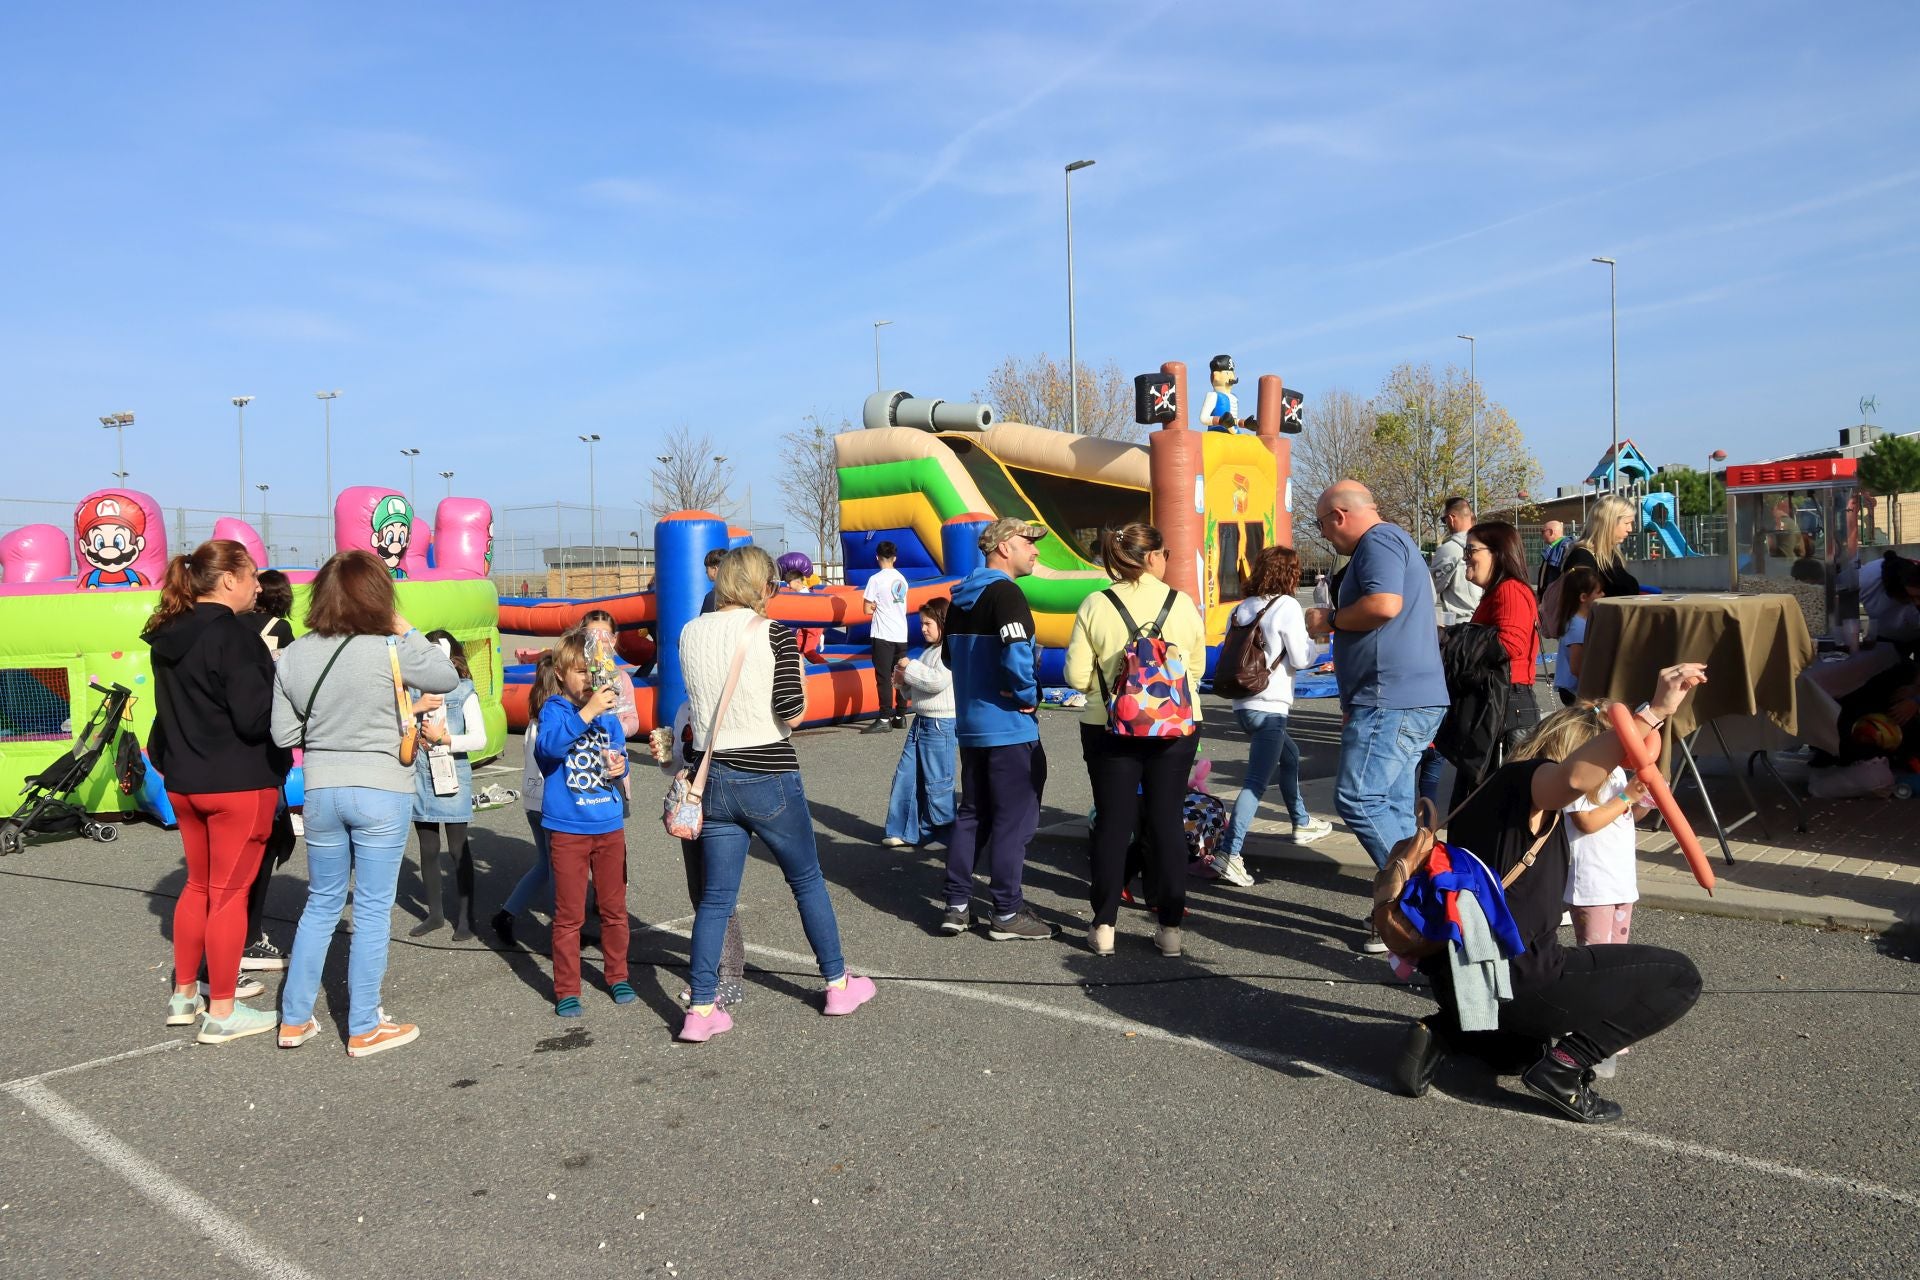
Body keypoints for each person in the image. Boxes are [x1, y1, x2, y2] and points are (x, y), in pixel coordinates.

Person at [1392, 668, 1707, 1123]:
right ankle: (1564, 1068)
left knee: (1519, 1052)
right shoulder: (1531, 784)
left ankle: (1444, 1032)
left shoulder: (1488, 792)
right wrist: (1655, 711)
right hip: (1522, 980)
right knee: (1680, 977)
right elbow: (1576, 777)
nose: (1610, 776)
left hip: (1464, 980)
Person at [675, 546, 875, 1042]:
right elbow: (792, 710)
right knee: (806, 879)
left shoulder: (688, 633)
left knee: (716, 899)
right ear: (763, 586)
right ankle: (836, 982)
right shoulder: (775, 634)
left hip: (712, 776)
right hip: (769, 773)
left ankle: (701, 1009)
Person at [272, 550, 460, 1058]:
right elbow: (445, 677)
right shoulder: (390, 648)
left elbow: (284, 732)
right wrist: (404, 626)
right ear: (378, 595)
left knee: (321, 901)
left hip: (321, 790)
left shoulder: (295, 654)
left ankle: (294, 1018)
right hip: (381, 787)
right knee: (373, 909)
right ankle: (363, 1025)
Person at [144, 540, 288, 1043]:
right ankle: (222, 1010)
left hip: (185, 780)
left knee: (199, 887)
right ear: (228, 579)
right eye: (250, 575)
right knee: (230, 896)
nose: (256, 585)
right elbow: (253, 720)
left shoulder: (166, 632)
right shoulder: (235, 636)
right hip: (239, 781)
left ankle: (186, 993)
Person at [1305, 482, 1448, 953]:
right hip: (1398, 696)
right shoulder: (1394, 540)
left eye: (1322, 524)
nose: (1323, 534)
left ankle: (1417, 901)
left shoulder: (1379, 541)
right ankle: (1417, 910)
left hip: (1390, 697)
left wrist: (1329, 619)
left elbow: (1385, 605)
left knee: (1358, 799)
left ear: (1340, 515)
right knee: (1390, 805)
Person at [1064, 522, 1207, 957]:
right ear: (1152, 556)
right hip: (1175, 728)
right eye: (1165, 554)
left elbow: (1073, 675)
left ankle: (1104, 925)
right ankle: (1169, 930)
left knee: (1112, 823)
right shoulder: (1181, 604)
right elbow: (1196, 671)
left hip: (1109, 726)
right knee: (1165, 823)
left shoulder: (1096, 602)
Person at [940, 517, 1052, 941]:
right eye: (1029, 542)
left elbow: (950, 658)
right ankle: (1006, 912)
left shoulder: (961, 597)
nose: (1035, 550)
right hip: (1008, 728)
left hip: (971, 726)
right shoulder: (1007, 593)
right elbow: (1017, 655)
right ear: (1005, 546)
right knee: (1012, 820)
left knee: (971, 814)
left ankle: (957, 904)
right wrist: (1027, 693)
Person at [1217, 545, 1332, 888]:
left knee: (1291, 756)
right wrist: (1316, 642)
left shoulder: (1240, 608)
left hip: (1243, 705)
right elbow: (1299, 658)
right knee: (1254, 782)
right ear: (1290, 574)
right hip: (1271, 707)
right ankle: (1230, 852)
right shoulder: (1287, 606)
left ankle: (1301, 821)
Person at [534, 628, 632, 1016]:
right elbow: (550, 748)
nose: (589, 681)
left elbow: (618, 750)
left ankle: (618, 975)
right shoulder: (554, 710)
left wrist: (620, 765)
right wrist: (588, 711)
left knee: (614, 909)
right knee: (569, 915)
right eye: (579, 672)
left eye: (593, 672)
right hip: (568, 828)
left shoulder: (607, 716)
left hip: (608, 824)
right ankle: (567, 988)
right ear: (560, 673)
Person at [1563, 754, 1653, 1079]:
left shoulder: (1615, 770)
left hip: (1620, 882)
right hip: (1594, 883)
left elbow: (1627, 815)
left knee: (1618, 960)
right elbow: (1585, 820)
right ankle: (1586, 1035)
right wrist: (1628, 795)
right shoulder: (1582, 770)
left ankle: (1607, 1030)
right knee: (1595, 961)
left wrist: (1643, 797)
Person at [407, 631, 487, 940]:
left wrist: (445, 739)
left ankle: (467, 918)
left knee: (458, 848)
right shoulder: (412, 691)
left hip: (452, 774)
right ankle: (435, 915)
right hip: (419, 775)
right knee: (427, 849)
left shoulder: (463, 690)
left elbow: (479, 739)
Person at [1458, 521, 1544, 798]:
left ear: (1498, 552)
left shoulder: (1509, 590)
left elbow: (1510, 644)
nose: (1465, 558)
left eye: (1471, 550)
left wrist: (1456, 640)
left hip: (1508, 706)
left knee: (1502, 800)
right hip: (1501, 703)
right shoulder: (1498, 591)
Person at [240, 567, 296, 972]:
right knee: (264, 844)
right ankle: (249, 938)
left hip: (219, 763)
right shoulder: (281, 630)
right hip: (265, 750)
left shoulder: (228, 628)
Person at [492, 652, 559, 948]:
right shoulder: (553, 721)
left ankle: (507, 913)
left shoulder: (534, 720)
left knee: (545, 865)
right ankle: (565, 928)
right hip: (549, 803)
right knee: (558, 868)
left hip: (532, 801)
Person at [881, 597, 956, 849]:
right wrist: (903, 683)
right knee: (906, 776)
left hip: (940, 723)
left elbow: (936, 681)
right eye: (922, 623)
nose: (923, 628)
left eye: (928, 623)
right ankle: (903, 830)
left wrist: (908, 667)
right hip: (922, 721)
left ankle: (943, 833)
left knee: (937, 781)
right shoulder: (927, 652)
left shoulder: (949, 649)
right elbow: (916, 692)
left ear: (942, 622)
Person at [862, 540, 910, 732]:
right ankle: (900, 715)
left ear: (877, 557)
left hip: (883, 633)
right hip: (901, 632)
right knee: (900, 675)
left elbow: (866, 608)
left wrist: (874, 606)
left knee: (883, 677)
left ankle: (884, 718)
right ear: (895, 558)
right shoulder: (902, 579)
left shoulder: (876, 579)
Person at [1562, 495, 1641, 598]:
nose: (1630, 529)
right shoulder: (1582, 557)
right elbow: (1579, 603)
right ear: (1608, 523)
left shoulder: (1611, 555)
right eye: (1627, 523)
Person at [581, 609, 641, 737]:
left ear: (613, 641)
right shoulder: (576, 677)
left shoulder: (622, 678)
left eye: (604, 640)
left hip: (614, 751)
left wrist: (620, 729)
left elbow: (633, 719)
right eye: (592, 638)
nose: (598, 645)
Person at [1551, 566, 1605, 707]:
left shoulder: (1578, 621)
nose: (1603, 595)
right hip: (1574, 690)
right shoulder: (1577, 626)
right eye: (1598, 592)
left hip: (1572, 688)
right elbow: (1576, 667)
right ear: (1583, 597)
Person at [1429, 497, 1483, 625]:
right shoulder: (1485, 546)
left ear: (1451, 518)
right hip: (1485, 620)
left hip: (1460, 625)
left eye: (1444, 520)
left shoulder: (1449, 549)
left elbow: (1430, 587)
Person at [1860, 550, 1920, 653]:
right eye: (1910, 597)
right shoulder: (1866, 580)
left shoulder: (1913, 572)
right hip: (1885, 637)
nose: (1917, 603)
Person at [1536, 519, 1571, 596]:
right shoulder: (1553, 549)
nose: (1541, 535)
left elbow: (1554, 579)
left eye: (1543, 532)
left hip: (1554, 598)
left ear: (1551, 532)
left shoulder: (1564, 549)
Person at [698, 548, 725, 615]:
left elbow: (703, 622)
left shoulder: (712, 597)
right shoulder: (739, 594)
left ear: (715, 569)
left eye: (707, 568)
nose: (706, 572)